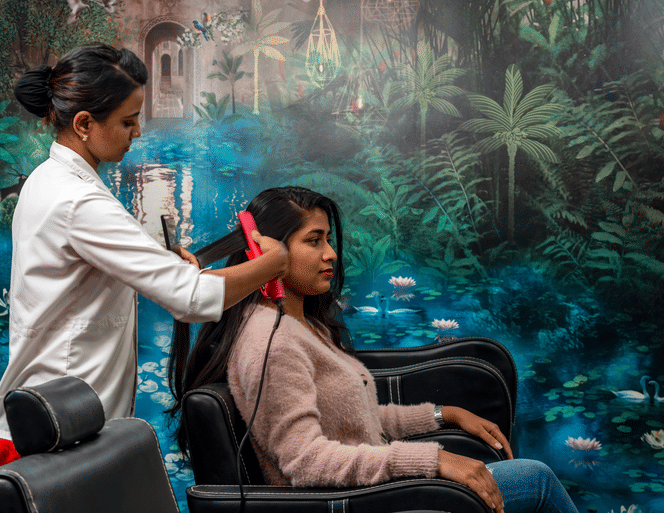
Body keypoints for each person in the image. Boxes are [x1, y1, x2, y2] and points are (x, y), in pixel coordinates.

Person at [169, 186, 578, 513]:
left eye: (328, 239)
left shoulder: (301, 325)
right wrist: (433, 461)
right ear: (265, 253)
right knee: (535, 480)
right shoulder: (272, 343)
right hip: (368, 502)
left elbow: (351, 420)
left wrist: (444, 414)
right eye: (314, 240)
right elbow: (306, 461)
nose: (330, 253)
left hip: (379, 493)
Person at [0, 43, 289, 439]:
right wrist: (272, 263)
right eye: (128, 121)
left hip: (49, 409)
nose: (138, 132)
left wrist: (154, 257)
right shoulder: (79, 200)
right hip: (61, 422)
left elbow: (80, 265)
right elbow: (191, 298)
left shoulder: (47, 179)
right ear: (84, 124)